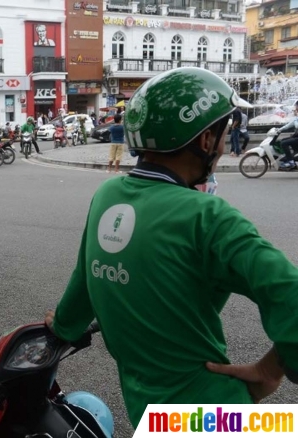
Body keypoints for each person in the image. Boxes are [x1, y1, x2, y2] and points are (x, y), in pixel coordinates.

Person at [44, 67, 297, 428]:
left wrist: (65, 326)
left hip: (152, 414)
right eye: (225, 134)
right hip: (214, 417)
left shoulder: (106, 196)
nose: (226, 145)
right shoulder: (208, 216)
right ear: (207, 141)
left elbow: (85, 279)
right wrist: (270, 370)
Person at [275, 102, 298, 169]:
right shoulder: (296, 118)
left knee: (284, 143)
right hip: (296, 136)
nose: (295, 109)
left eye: (296, 108)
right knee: (283, 140)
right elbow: (287, 126)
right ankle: (291, 157)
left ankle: (291, 162)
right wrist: (278, 130)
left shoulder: (296, 119)